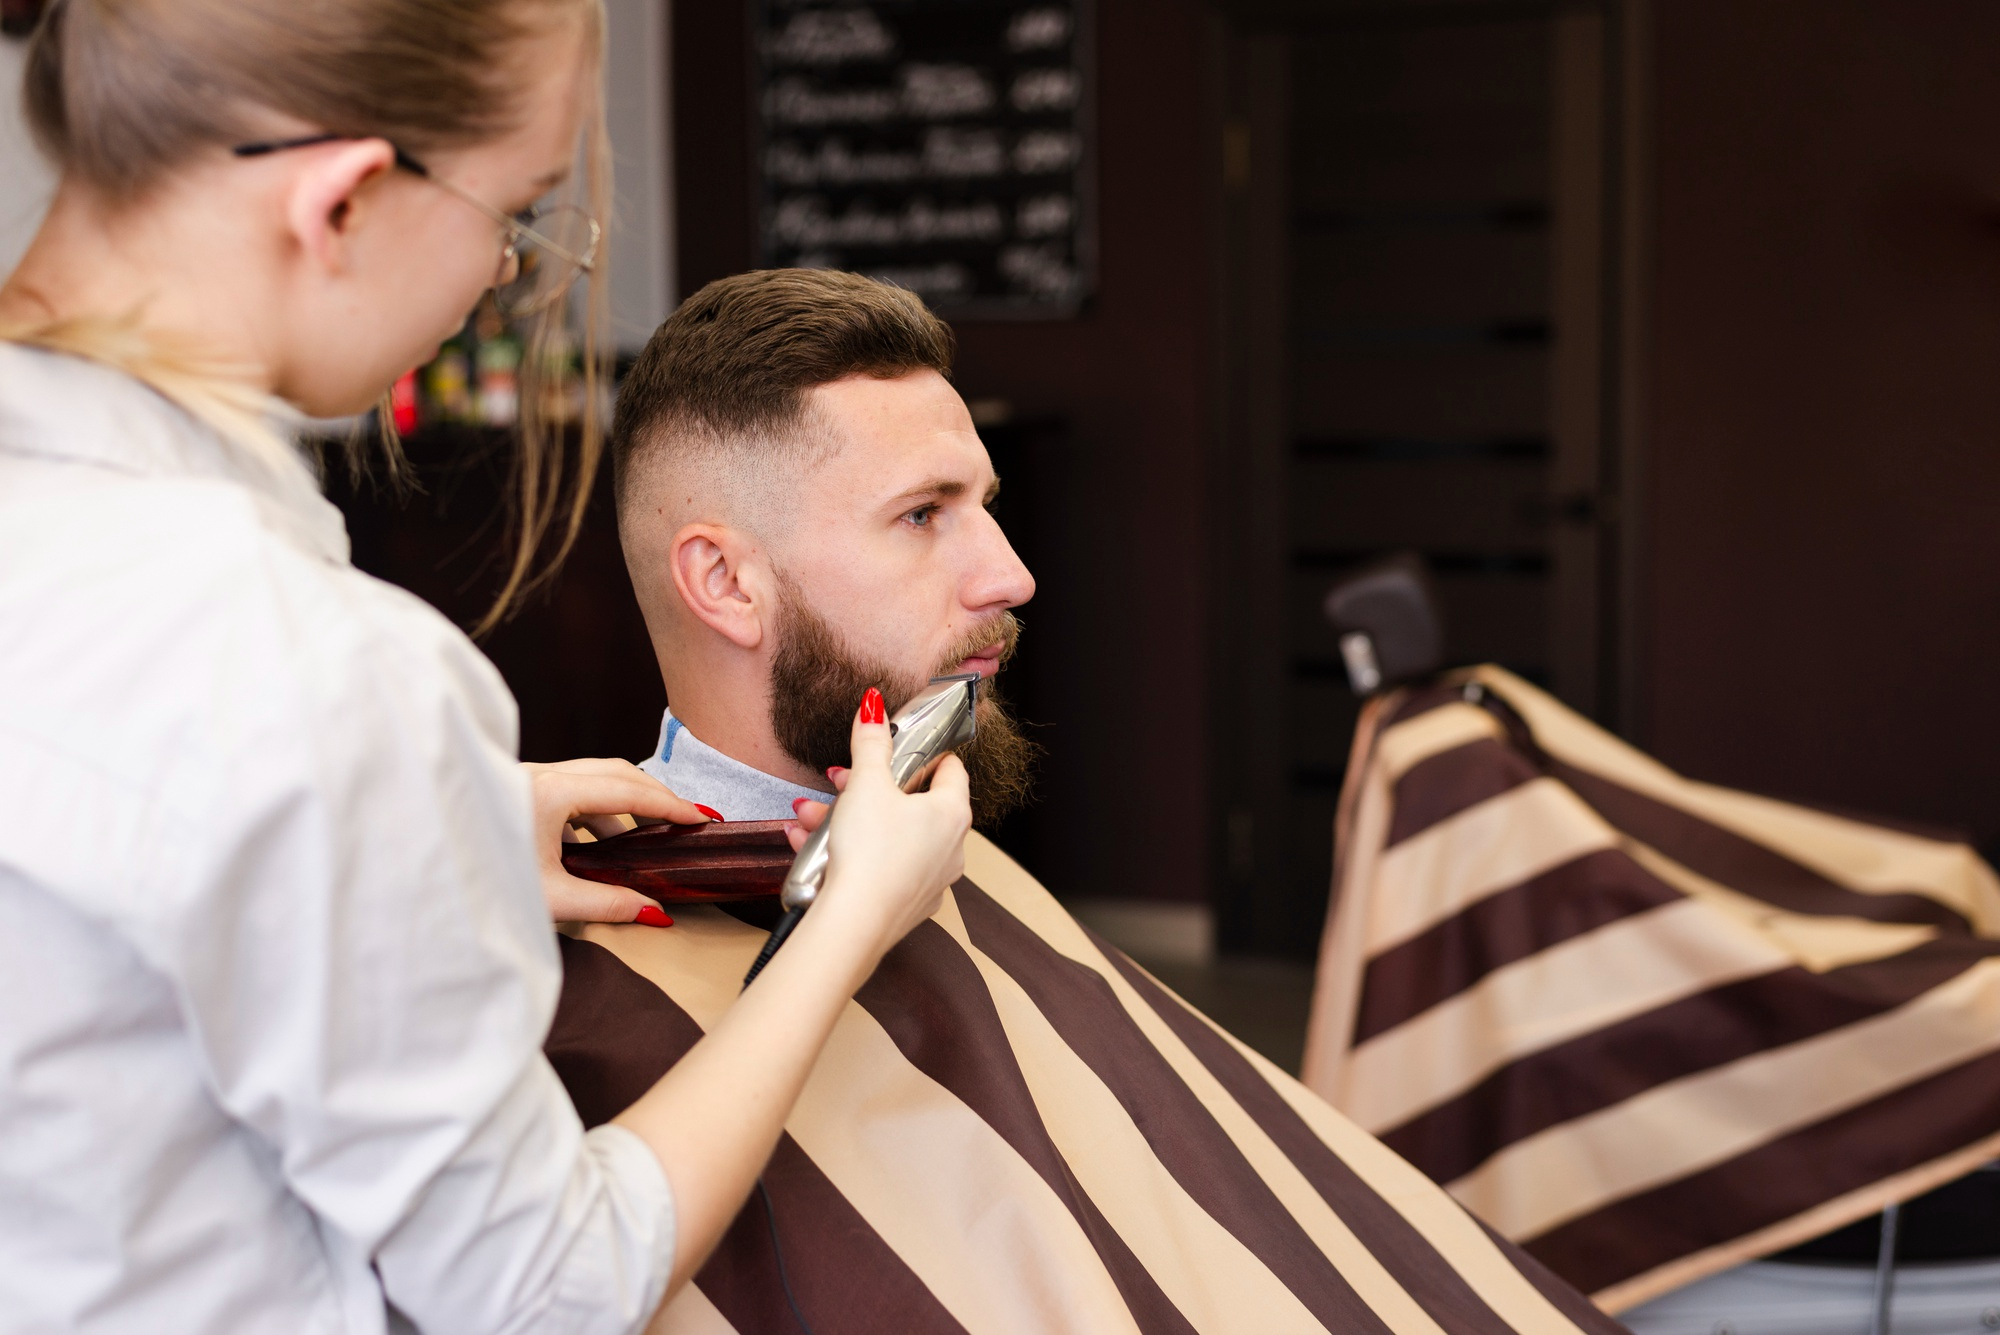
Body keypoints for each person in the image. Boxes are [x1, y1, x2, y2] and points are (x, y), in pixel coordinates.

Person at [0, 5, 969, 1333]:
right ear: (341, 202)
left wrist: (419, 825)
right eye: (516, 211)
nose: (504, 278)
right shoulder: (307, 665)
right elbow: (543, 1289)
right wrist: (845, 921)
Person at [553, 268, 1631, 1334]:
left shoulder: (962, 861)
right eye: (923, 515)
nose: (1010, 576)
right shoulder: (580, 1006)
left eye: (984, 507)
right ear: (726, 584)